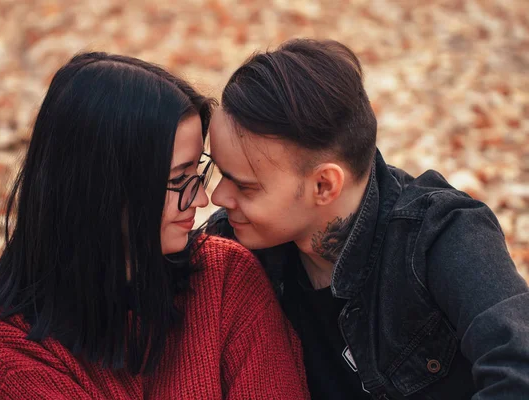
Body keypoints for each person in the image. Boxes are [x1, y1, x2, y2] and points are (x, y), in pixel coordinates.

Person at [0, 52, 309, 400]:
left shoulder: (226, 278)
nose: (202, 199)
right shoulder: (3, 340)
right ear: (102, 190)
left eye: (197, 172)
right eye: (178, 180)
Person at [205, 38, 529, 399]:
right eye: (220, 173)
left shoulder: (442, 234)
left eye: (245, 187)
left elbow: (520, 368)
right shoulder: (231, 248)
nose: (218, 197)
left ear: (324, 185)